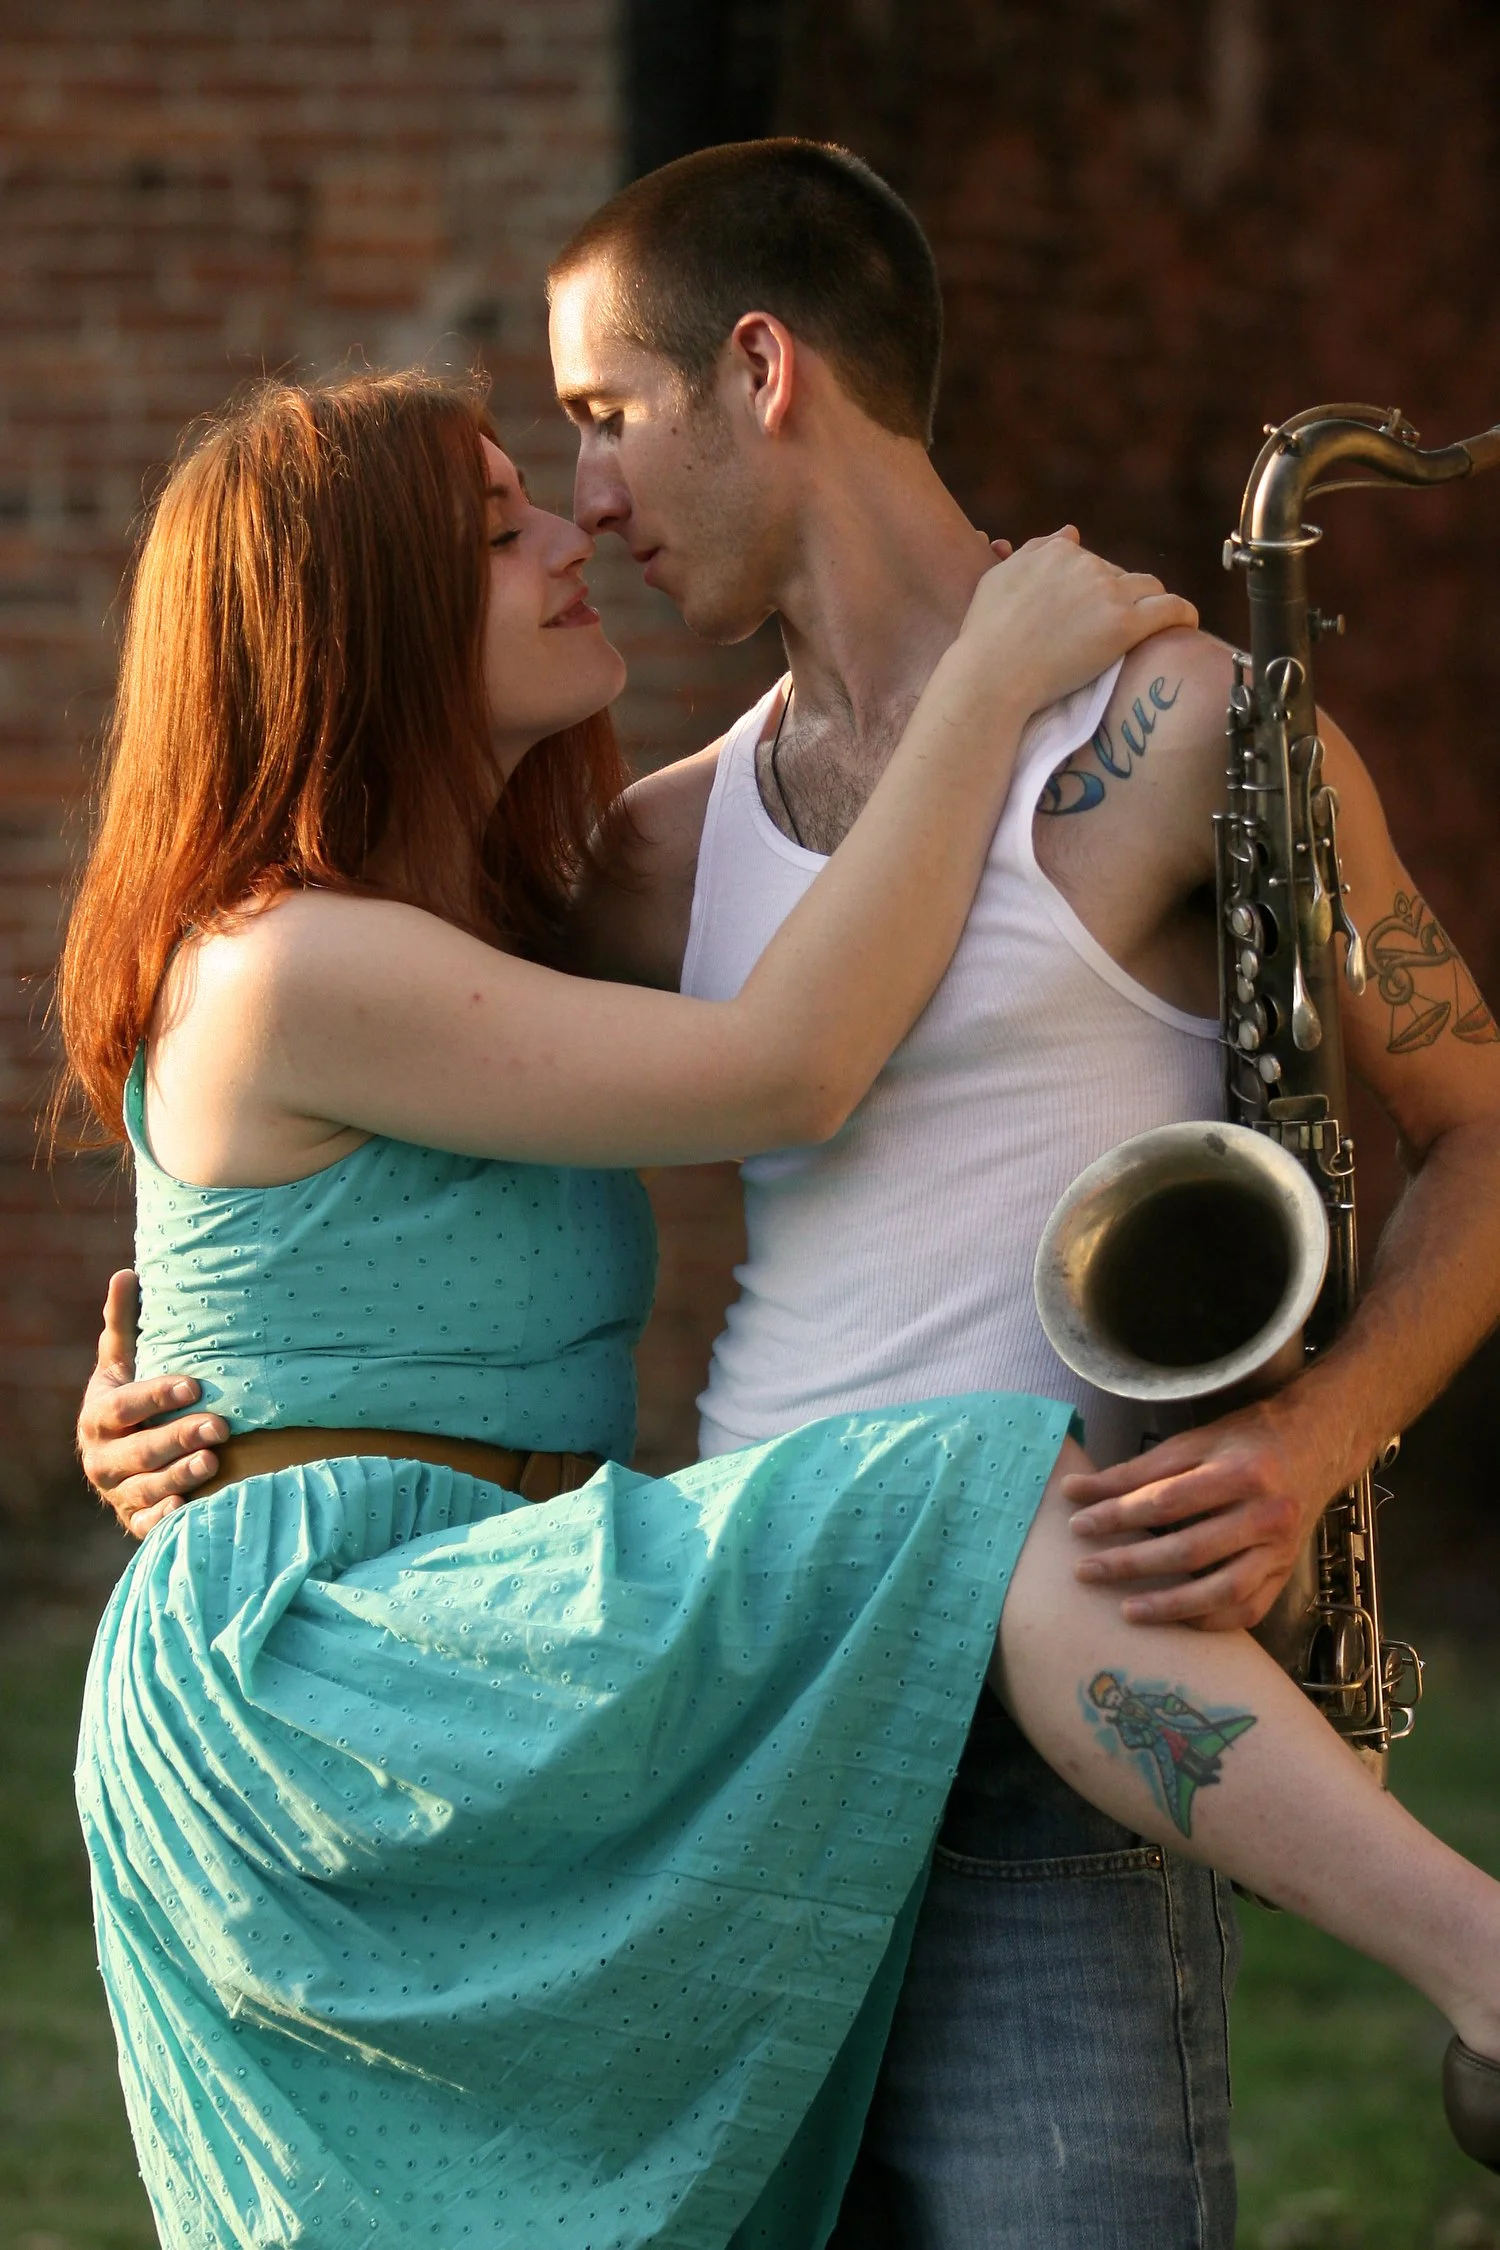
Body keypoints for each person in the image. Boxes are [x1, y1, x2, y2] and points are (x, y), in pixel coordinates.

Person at [75, 145, 1500, 2248]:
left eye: (601, 422)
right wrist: (189, 1415)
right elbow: (302, 1136)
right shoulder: (642, 860)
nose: (589, 511)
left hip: (1069, 1712)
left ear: (760, 372)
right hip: (710, 1740)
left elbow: (1486, 1123)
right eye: (536, 481)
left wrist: (1316, 1435)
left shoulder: (1183, 723)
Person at [60, 366, 1199, 2246]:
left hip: (513, 1655)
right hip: (345, 1716)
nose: (568, 528)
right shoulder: (295, 962)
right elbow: (792, 1061)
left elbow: (281, 1278)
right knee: (981, 1493)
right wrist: (992, 684)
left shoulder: (500, 919)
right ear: (356, 624)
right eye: (492, 530)